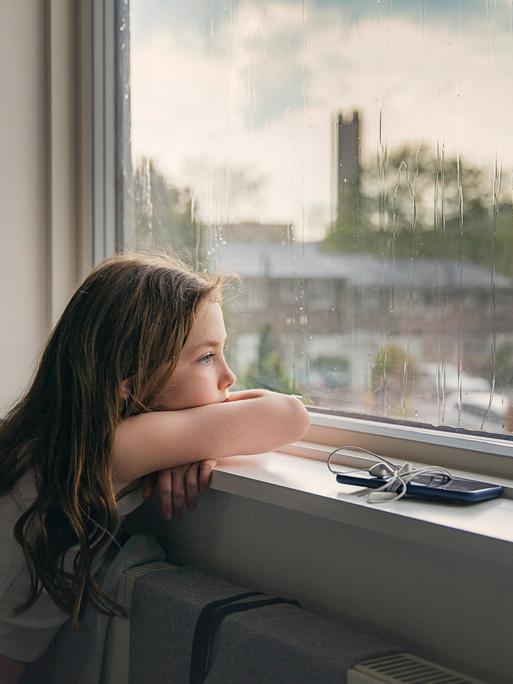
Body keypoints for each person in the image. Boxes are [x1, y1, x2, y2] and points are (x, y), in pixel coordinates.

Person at [0, 251, 310, 683]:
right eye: (206, 357)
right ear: (129, 383)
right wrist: (189, 438)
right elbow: (290, 416)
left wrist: (186, 444)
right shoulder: (102, 451)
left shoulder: (58, 440)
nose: (229, 375)